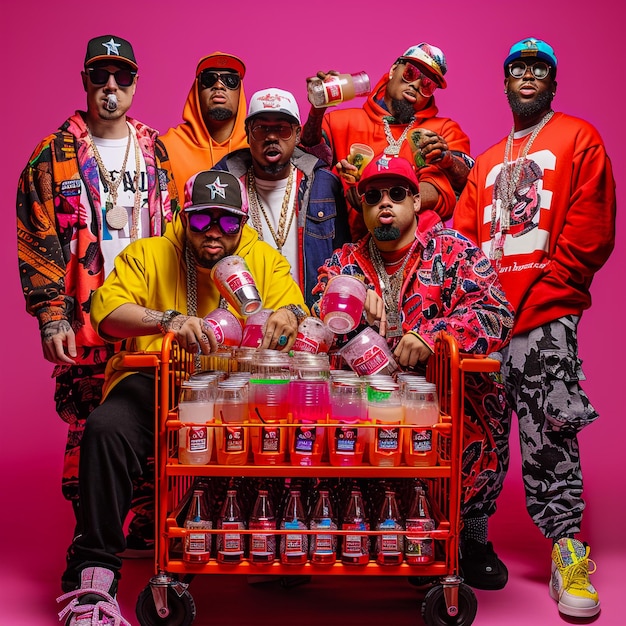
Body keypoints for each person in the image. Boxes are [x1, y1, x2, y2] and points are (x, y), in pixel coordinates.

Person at [56, 169, 307, 624]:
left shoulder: (262, 259)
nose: (215, 232)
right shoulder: (149, 253)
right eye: (202, 220)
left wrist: (289, 315)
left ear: (243, 222)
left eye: (228, 222)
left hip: (239, 385)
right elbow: (107, 314)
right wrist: (168, 320)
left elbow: (296, 307)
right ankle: (95, 576)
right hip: (159, 378)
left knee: (304, 428)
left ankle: (283, 549)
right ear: (182, 217)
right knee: (106, 428)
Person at [453, 38, 615, 618]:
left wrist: (541, 299)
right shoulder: (489, 160)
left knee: (551, 430)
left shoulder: (579, 137)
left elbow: (590, 232)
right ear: (504, 83)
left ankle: (568, 554)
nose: (527, 75)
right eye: (517, 68)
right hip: (487, 326)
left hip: (544, 317)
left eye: (538, 68)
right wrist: (482, 314)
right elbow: (465, 248)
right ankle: (471, 539)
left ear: (552, 82)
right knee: (481, 435)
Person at [311, 155, 513, 578]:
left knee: (487, 393)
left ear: (416, 202)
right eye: (373, 196)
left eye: (397, 194)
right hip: (367, 408)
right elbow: (315, 316)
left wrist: (434, 334)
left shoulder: (454, 250)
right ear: (361, 206)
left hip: (442, 404)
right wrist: (343, 298)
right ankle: (338, 533)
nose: (385, 203)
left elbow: (496, 312)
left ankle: (471, 537)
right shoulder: (342, 263)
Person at [16, 34, 178, 555]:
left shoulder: (156, 148)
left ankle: (147, 525)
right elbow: (37, 236)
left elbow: (177, 233)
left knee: (157, 413)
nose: (111, 86)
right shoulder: (53, 153)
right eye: (101, 76)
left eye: (122, 76)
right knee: (90, 421)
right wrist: (50, 316)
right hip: (86, 315)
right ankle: (93, 538)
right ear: (85, 80)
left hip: (148, 311)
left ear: (135, 83)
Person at [301, 43, 474, 239]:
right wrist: (317, 109)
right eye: (411, 73)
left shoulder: (443, 131)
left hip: (416, 252)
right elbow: (305, 158)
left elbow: (466, 185)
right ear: (393, 70)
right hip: (350, 245)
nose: (416, 85)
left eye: (427, 85)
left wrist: (447, 160)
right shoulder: (342, 122)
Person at [214, 87, 350, 307]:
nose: (271, 137)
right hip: (246, 321)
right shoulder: (224, 187)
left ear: (297, 135)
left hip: (312, 321)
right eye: (261, 129)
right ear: (248, 133)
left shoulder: (324, 185)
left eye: (282, 129)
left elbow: (344, 257)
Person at [162, 51, 248, 198]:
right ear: (196, 90)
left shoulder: (255, 149)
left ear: (240, 91)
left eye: (230, 80)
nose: (219, 85)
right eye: (209, 79)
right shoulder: (165, 148)